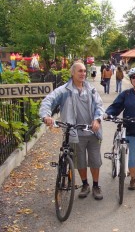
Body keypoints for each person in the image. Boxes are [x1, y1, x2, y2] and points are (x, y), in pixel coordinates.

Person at [39, 61, 105, 200]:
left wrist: (97, 119)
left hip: (92, 131)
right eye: (80, 71)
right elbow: (48, 101)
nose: (83, 74)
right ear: (72, 73)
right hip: (75, 132)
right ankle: (85, 184)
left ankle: (96, 186)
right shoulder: (64, 90)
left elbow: (99, 105)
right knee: (80, 161)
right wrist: (46, 116)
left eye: (84, 71)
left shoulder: (90, 89)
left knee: (95, 160)